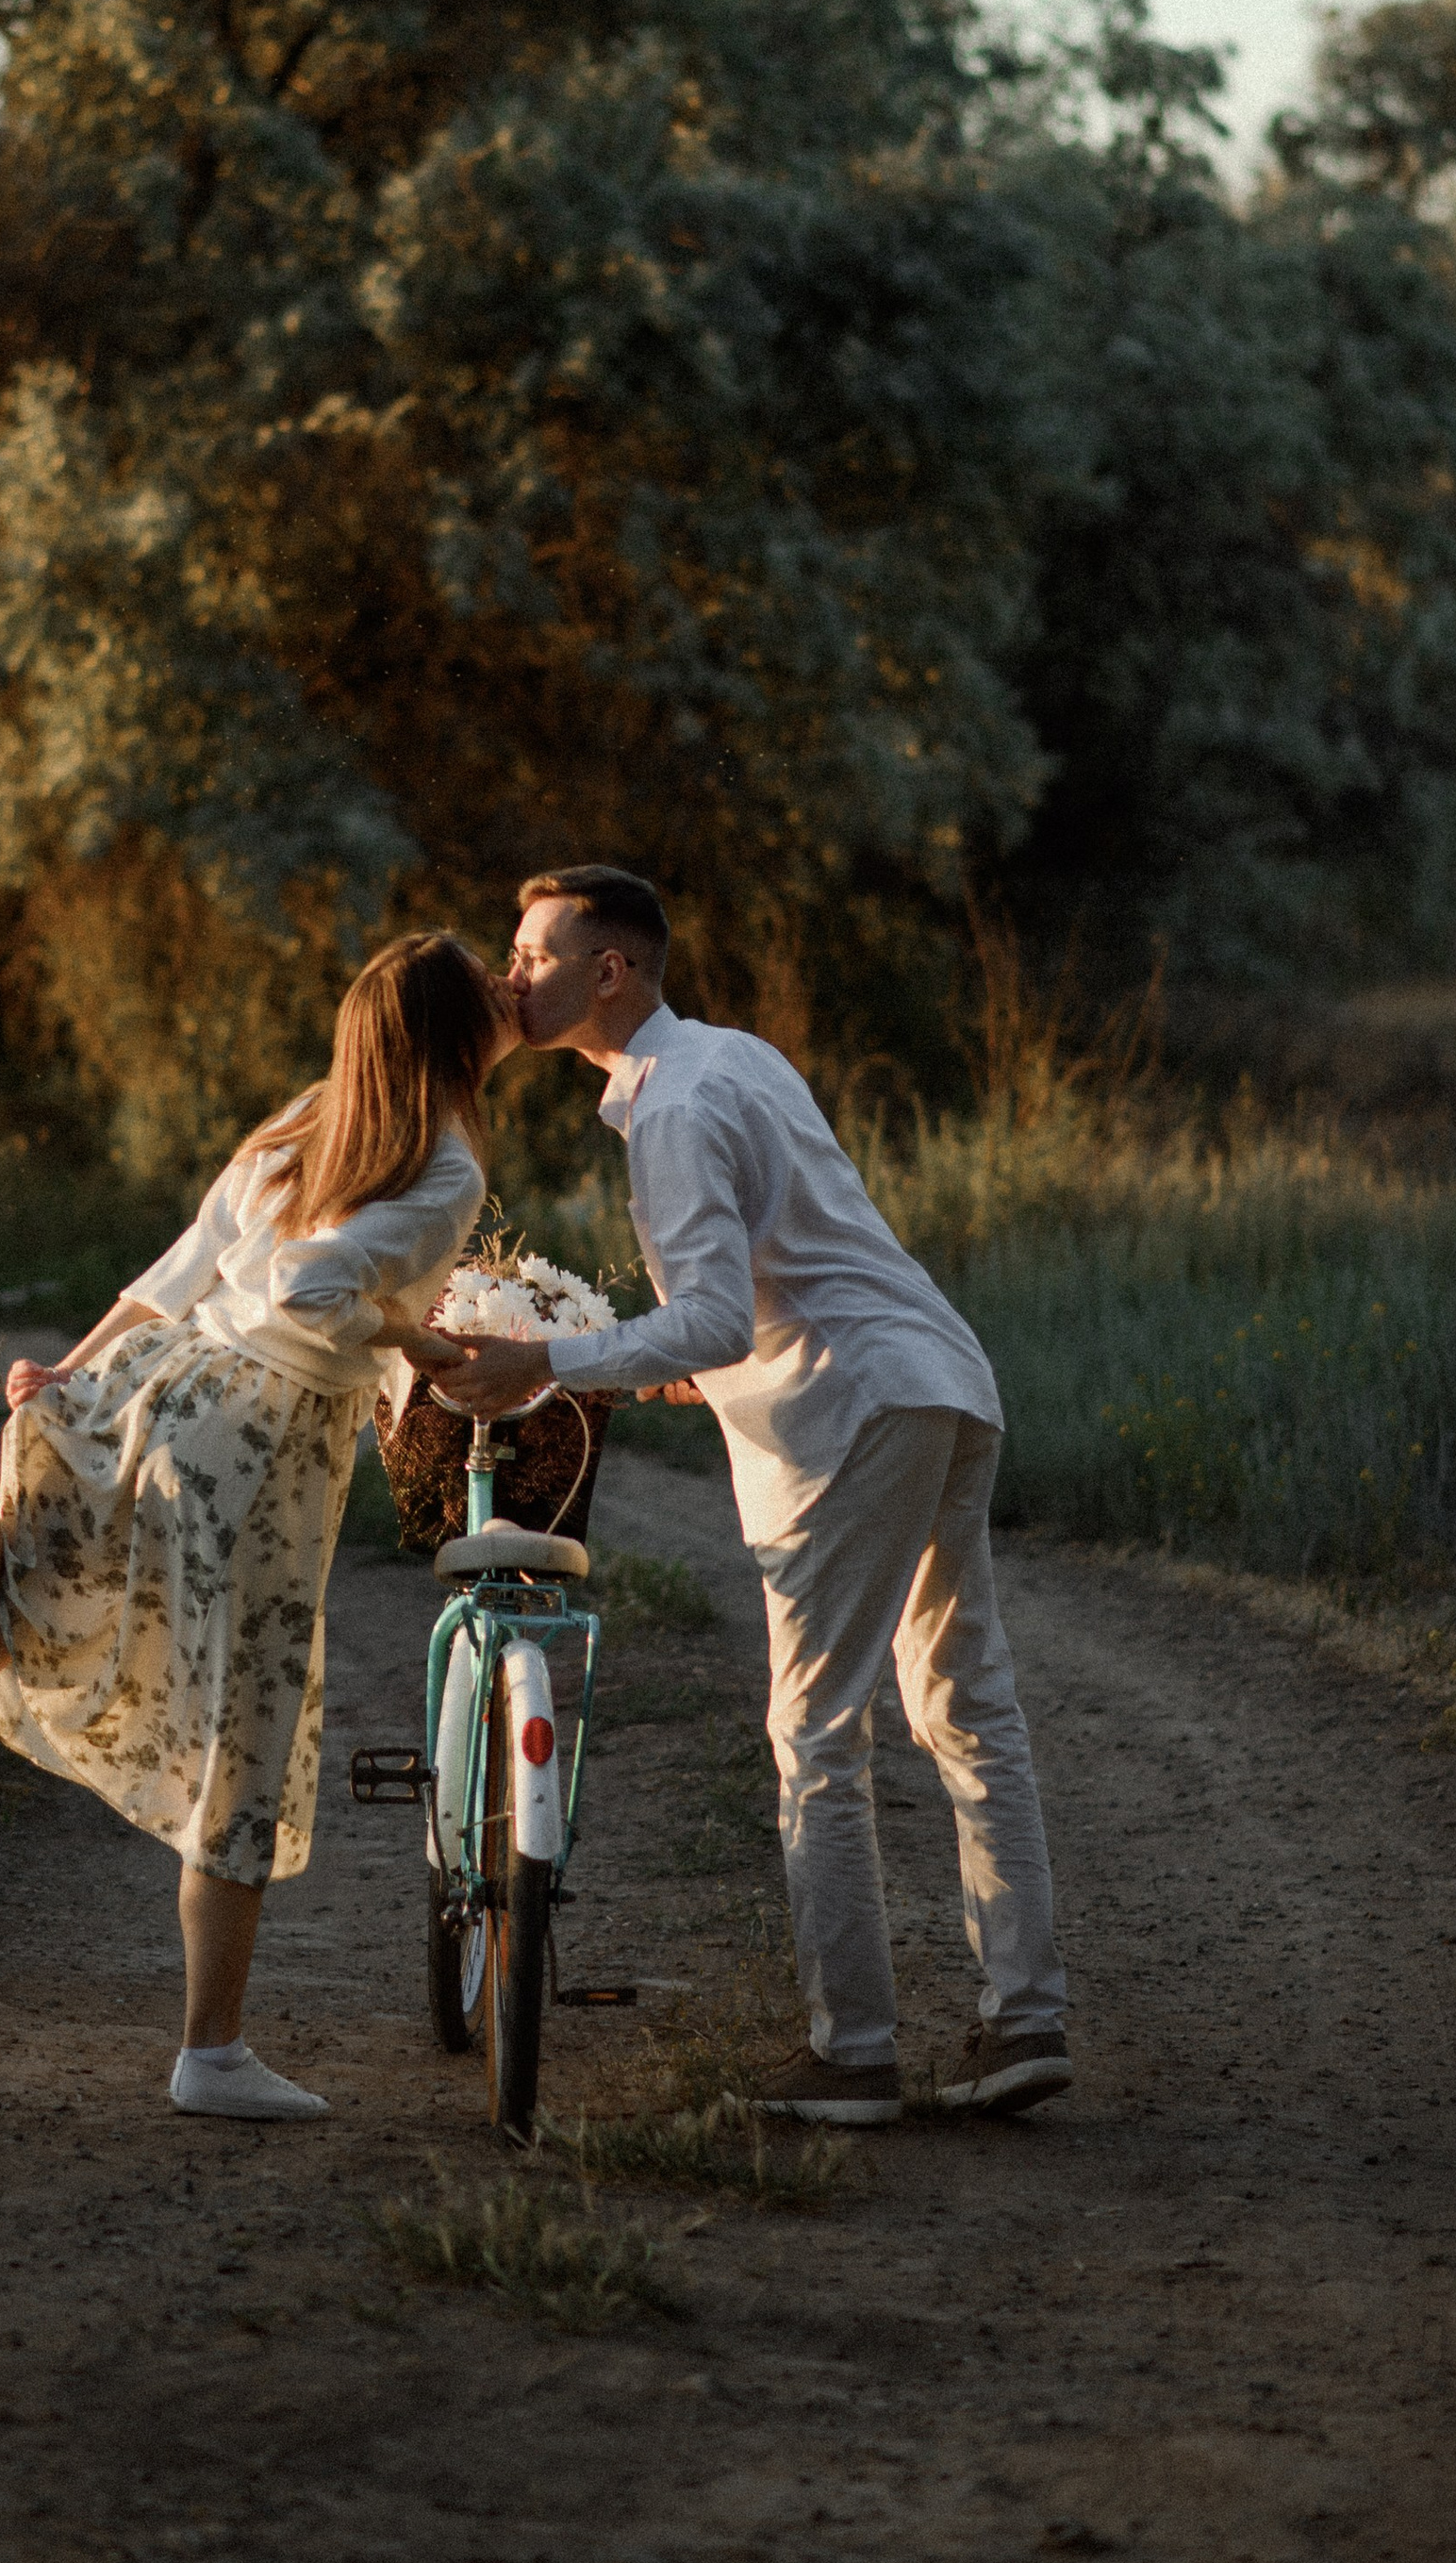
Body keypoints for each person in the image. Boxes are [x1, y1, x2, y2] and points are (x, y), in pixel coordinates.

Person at [437, 866, 1068, 2125]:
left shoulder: (675, 1109)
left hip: (854, 1414)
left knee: (817, 1733)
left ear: (609, 970)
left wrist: (539, 1360)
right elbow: (779, 1277)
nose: (512, 976)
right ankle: (1024, 2022)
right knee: (965, 1705)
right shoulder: (731, 1060)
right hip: (939, 1378)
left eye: (534, 955)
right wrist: (660, 1370)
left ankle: (855, 2055)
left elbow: (717, 1317)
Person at [0, 932, 513, 2122]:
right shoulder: (450, 1165)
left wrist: (70, 1371)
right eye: (493, 986)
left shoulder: (312, 1116)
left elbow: (184, 1264)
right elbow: (311, 1289)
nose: (512, 992)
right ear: (459, 1037)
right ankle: (210, 2052)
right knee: (243, 1732)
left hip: (152, 1385)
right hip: (251, 1451)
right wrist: (414, 1341)